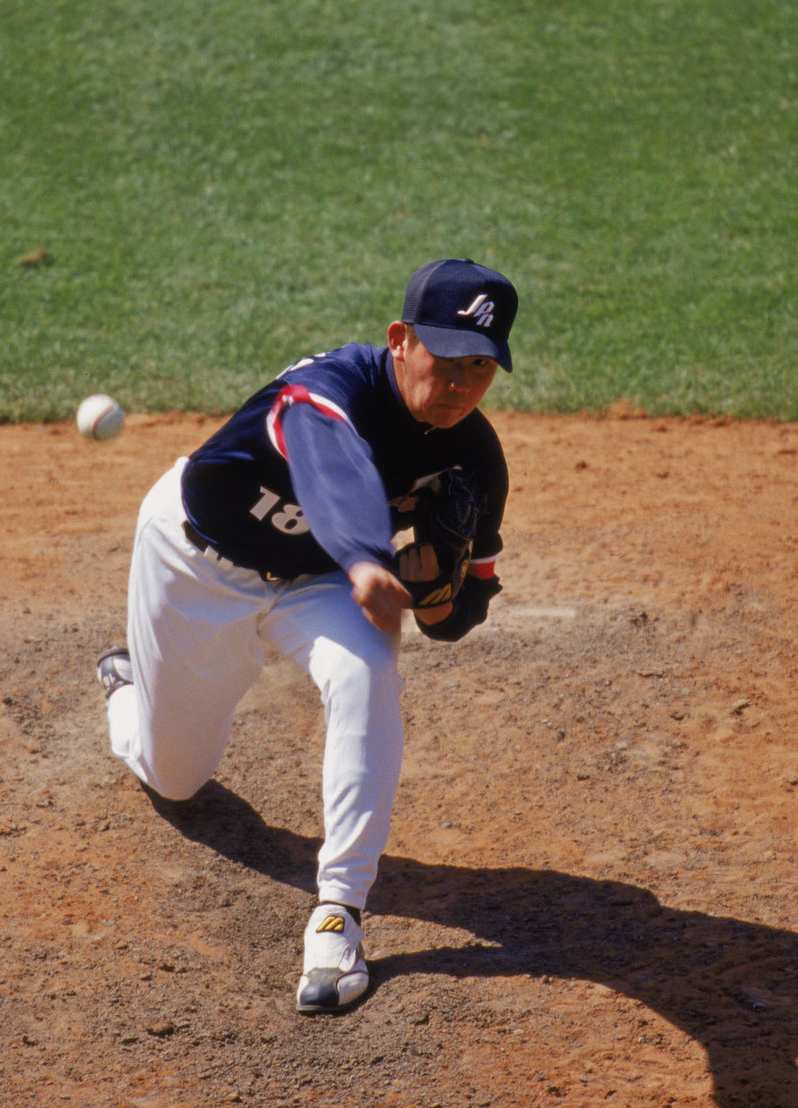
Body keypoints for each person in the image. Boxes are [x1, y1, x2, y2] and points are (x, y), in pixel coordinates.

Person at [96, 258, 518, 1012]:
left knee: (365, 671)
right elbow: (332, 466)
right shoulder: (325, 389)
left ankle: (338, 914)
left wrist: (433, 594)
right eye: (445, 358)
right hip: (195, 565)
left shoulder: (474, 459)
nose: (458, 382)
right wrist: (364, 555)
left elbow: (457, 618)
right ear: (398, 340)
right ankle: (131, 685)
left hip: (316, 585)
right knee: (175, 778)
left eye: (480, 366)